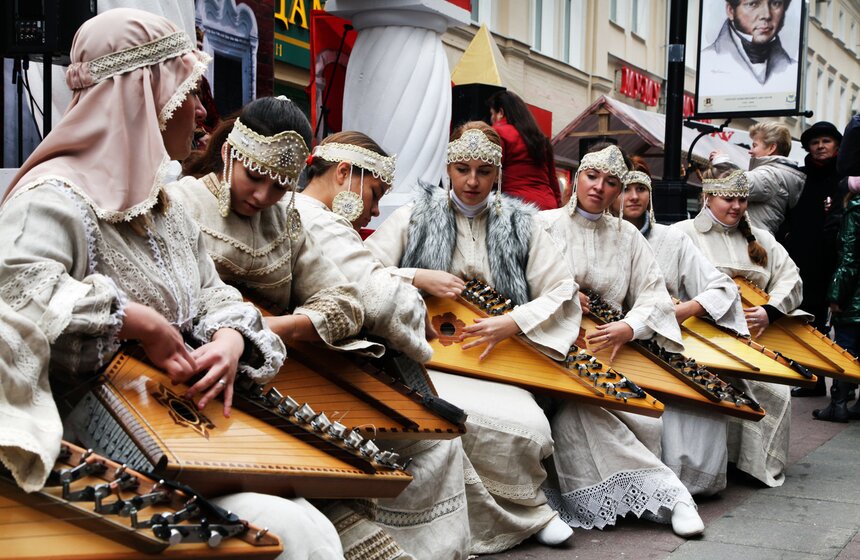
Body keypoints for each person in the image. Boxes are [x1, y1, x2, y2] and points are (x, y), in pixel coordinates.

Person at [0, 10, 342, 558]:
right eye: (187, 91)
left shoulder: (163, 206)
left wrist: (231, 339)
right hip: (85, 450)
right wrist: (138, 322)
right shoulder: (52, 198)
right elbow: (15, 296)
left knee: (311, 520)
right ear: (142, 98)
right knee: (292, 532)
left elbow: (213, 292)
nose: (204, 110)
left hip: (182, 430)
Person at [366, 121, 582, 553]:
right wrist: (417, 275)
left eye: (483, 171)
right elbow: (363, 269)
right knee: (453, 417)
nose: (471, 181)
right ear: (448, 167)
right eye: (462, 169)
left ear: (497, 173)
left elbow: (562, 287)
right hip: (429, 356)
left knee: (531, 426)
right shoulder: (417, 213)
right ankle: (512, 517)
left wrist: (514, 322)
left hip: (496, 357)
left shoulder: (521, 223)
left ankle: (528, 510)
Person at [297, 131, 471, 559]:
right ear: (343, 173)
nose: (375, 209)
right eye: (375, 193)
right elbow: (378, 295)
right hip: (322, 375)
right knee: (439, 443)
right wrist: (422, 325)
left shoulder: (305, 213)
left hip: (320, 366)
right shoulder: (320, 219)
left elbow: (369, 275)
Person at [537, 144, 704, 537]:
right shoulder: (542, 225)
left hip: (611, 352)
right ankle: (672, 495)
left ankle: (650, 494)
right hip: (548, 348)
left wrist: (629, 326)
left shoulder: (628, 235)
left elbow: (654, 294)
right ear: (576, 178)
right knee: (577, 412)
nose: (599, 187)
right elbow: (517, 287)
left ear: (618, 191)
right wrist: (559, 294)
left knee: (613, 417)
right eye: (592, 177)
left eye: (611, 182)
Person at [170, 97, 374, 356]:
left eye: (279, 186)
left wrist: (276, 326)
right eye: (254, 176)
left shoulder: (285, 223)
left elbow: (347, 305)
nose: (262, 197)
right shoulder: (180, 202)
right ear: (228, 153)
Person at [611, 158, 747, 496]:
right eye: (625, 188)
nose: (633, 196)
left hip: (665, 340)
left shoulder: (671, 240)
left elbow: (723, 288)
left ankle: (687, 486)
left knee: (697, 406)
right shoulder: (601, 235)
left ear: (650, 195)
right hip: (614, 341)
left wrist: (686, 310)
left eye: (641, 188)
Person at [673, 169, 809, 488]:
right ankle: (723, 460)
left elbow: (792, 278)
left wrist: (770, 310)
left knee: (777, 390)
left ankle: (754, 462)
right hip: (700, 338)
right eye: (728, 199)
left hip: (753, 340)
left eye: (742, 200)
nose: (736, 206)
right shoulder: (682, 233)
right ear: (707, 198)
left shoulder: (761, 238)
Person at [785, 121, 843, 397]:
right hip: (801, 261)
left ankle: (844, 383)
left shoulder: (845, 178)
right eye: (815, 142)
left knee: (836, 327)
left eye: (826, 141)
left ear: (837, 146)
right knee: (805, 322)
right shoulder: (799, 177)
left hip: (835, 263)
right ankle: (812, 378)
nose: (820, 146)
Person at [717, 122, 805, 236]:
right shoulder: (779, 173)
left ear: (771, 148)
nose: (750, 150)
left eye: (755, 145)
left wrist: (722, 162)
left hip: (752, 240)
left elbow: (737, 185)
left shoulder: (771, 175)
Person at [699, 0, 797, 93]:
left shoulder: (794, 68)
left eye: (775, 3)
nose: (766, 15)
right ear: (730, 11)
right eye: (753, 4)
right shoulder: (706, 61)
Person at [488, 91, 561, 210]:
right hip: (548, 205)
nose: (491, 119)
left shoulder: (498, 132)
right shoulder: (540, 137)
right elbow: (553, 182)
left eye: (492, 114)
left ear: (500, 113)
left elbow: (491, 174)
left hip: (516, 206)